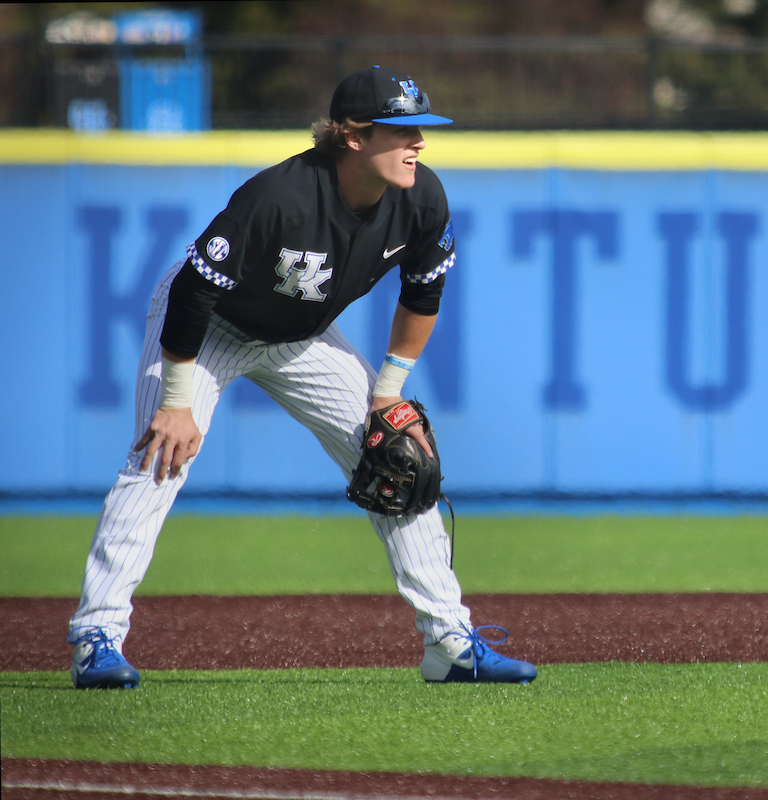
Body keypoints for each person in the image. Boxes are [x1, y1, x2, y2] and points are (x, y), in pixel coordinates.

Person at [68, 66, 536, 689]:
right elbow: (191, 292)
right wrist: (177, 401)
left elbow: (424, 295)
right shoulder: (279, 197)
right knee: (160, 458)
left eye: (421, 128)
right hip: (207, 328)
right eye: (402, 130)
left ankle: (449, 642)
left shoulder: (422, 198)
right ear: (353, 137)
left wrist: (388, 392)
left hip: (301, 338)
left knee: (394, 460)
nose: (419, 142)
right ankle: (96, 637)